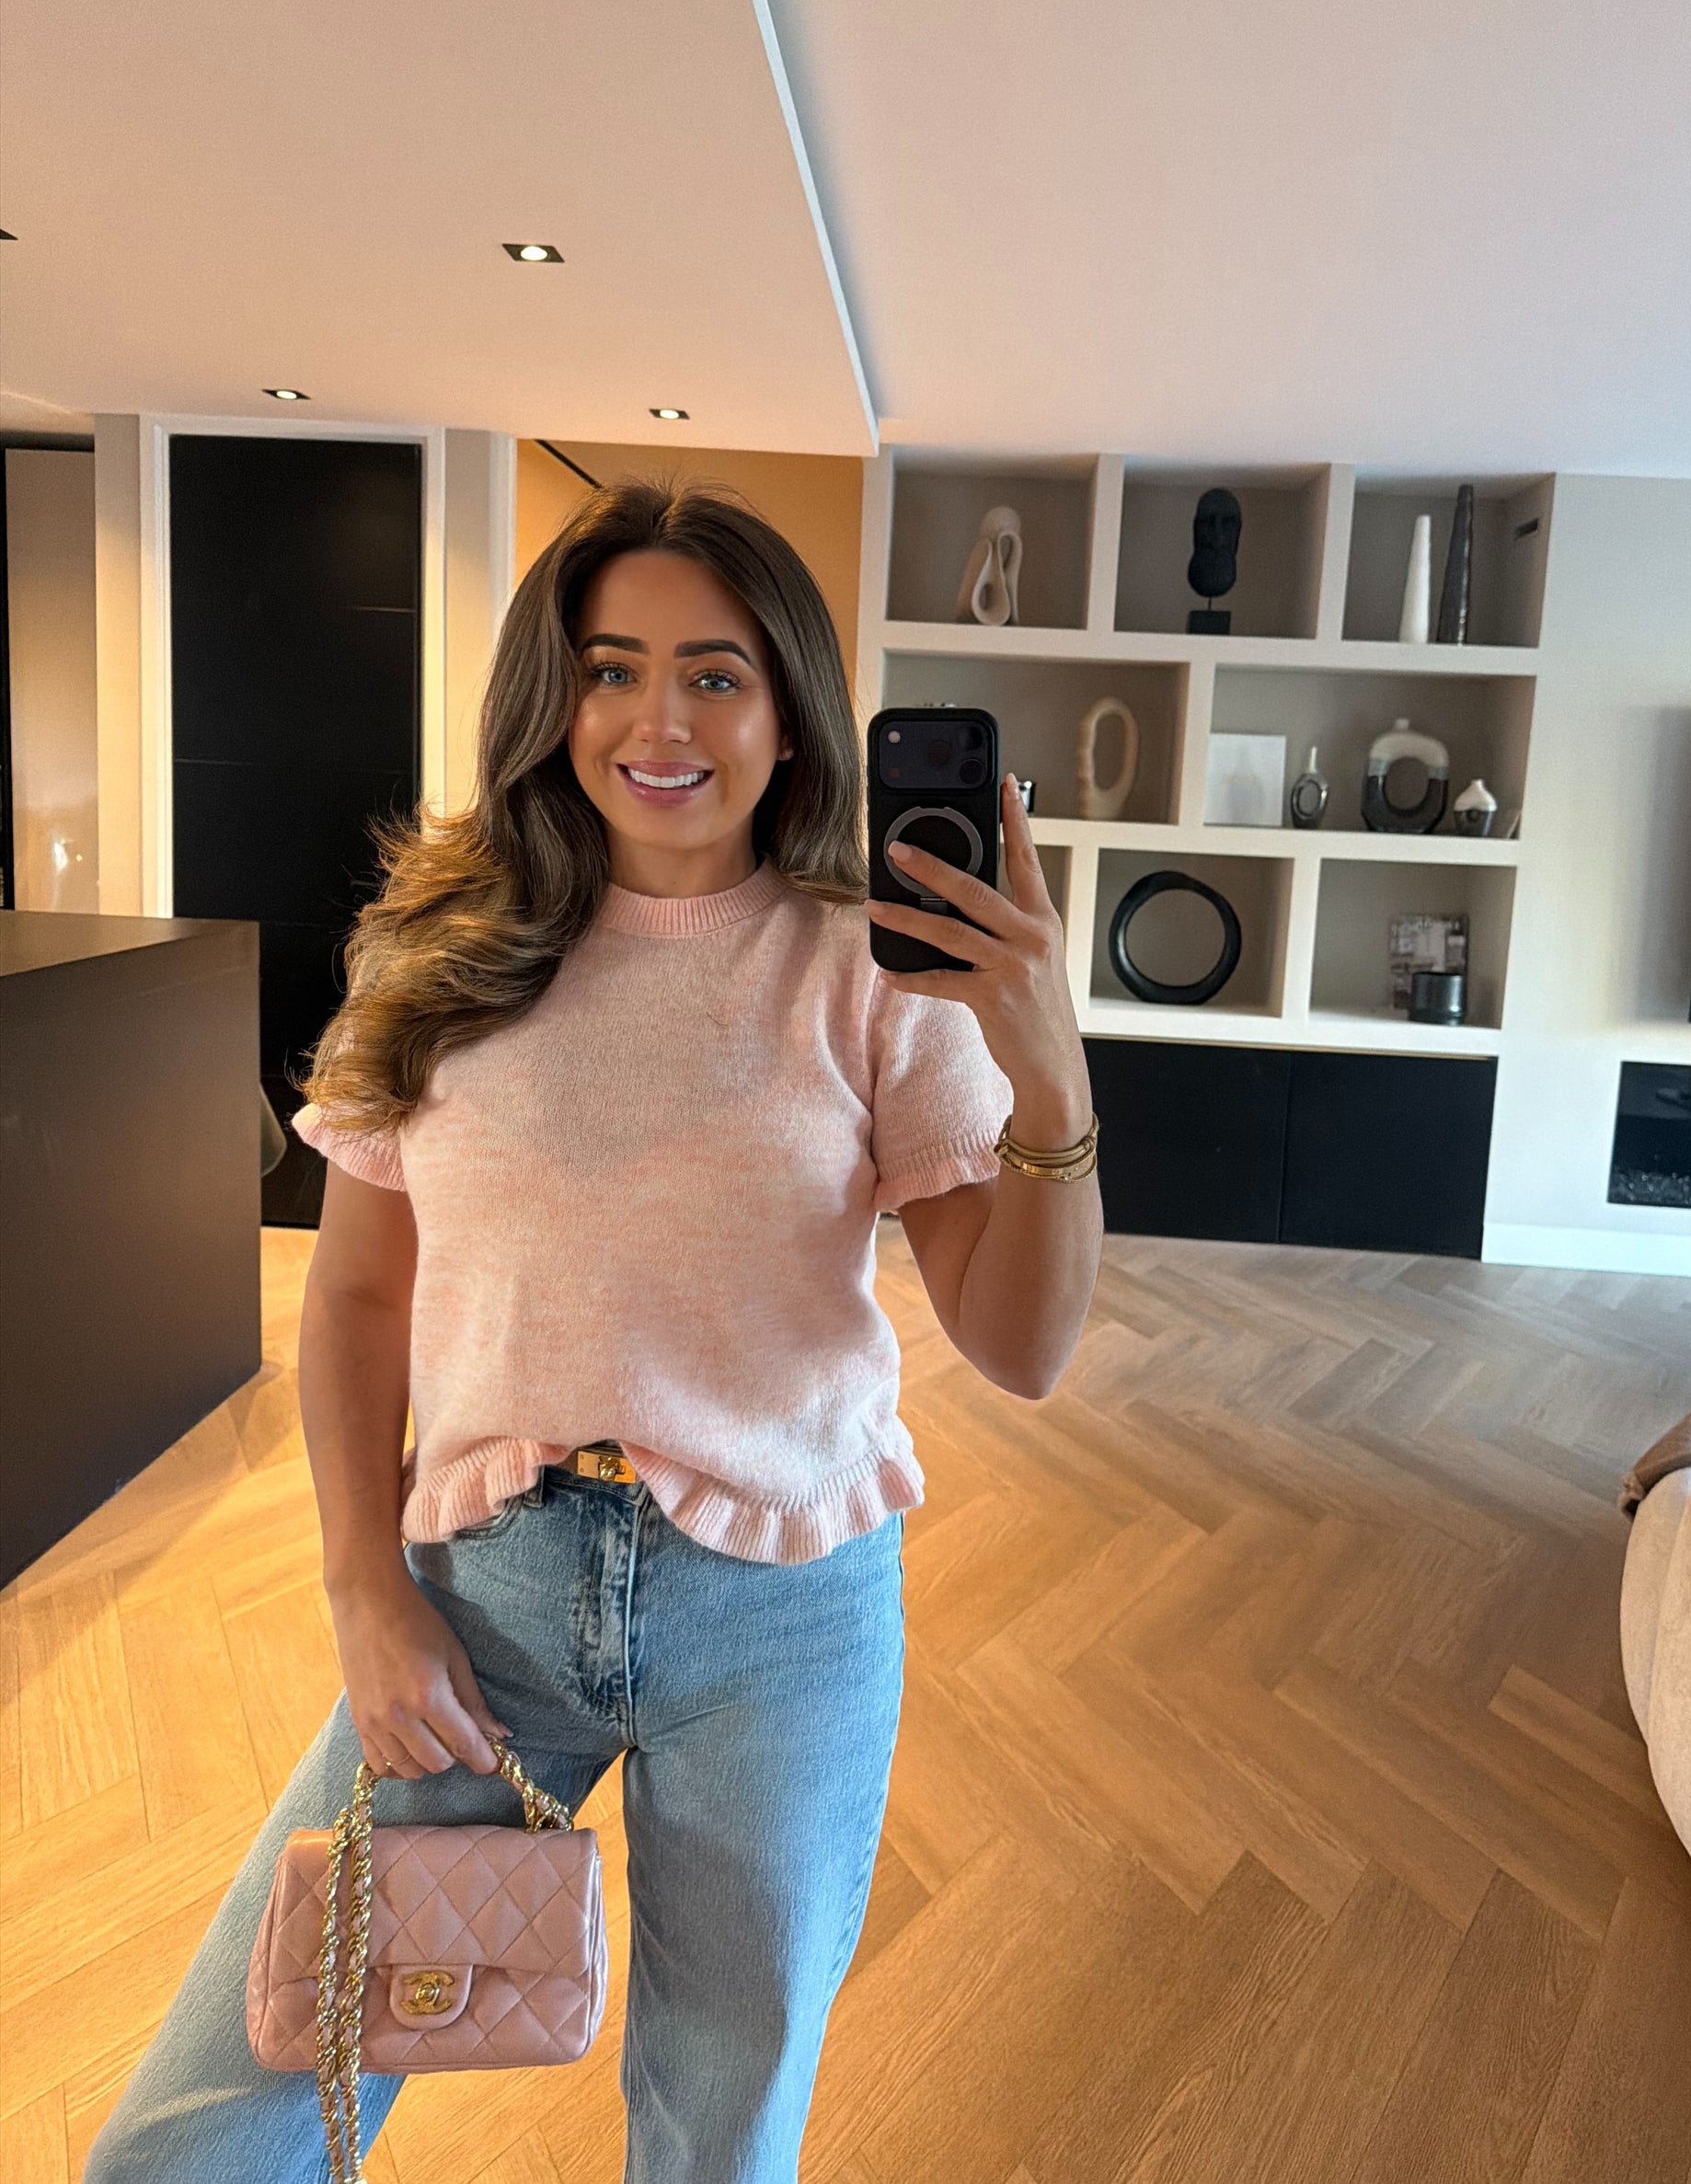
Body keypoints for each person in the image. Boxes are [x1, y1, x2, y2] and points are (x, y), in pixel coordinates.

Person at [84, 478, 1102, 2183]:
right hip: (476, 1602)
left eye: (714, 675)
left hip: (783, 1613)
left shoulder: (871, 971)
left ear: (789, 713)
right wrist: (363, 1590)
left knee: (716, 2140)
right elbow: (357, 1295)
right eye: (611, 669)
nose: (657, 722)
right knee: (198, 2144)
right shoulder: (436, 948)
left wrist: (1046, 1067)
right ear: (551, 701)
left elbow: (1022, 1345)